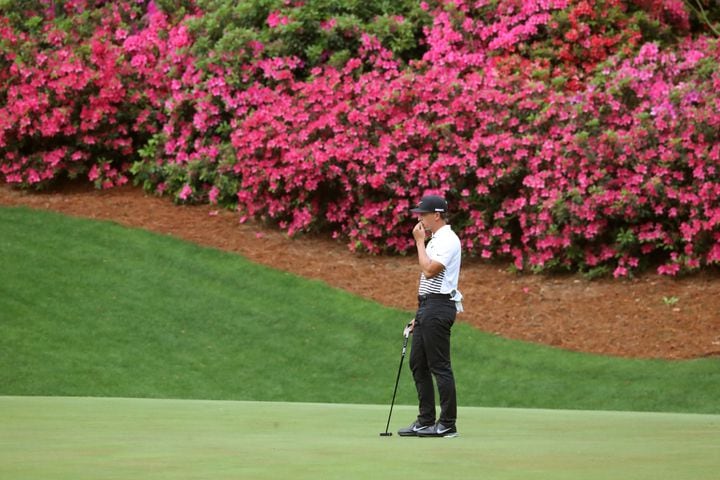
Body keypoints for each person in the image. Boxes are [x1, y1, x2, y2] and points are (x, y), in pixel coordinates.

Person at [398, 194, 463, 438]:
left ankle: (447, 423)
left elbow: (429, 270)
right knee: (418, 363)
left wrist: (418, 242)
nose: (420, 219)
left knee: (440, 366)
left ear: (436, 215)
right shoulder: (435, 239)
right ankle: (425, 420)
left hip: (439, 306)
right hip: (428, 307)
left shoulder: (448, 239)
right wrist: (420, 314)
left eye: (423, 215)